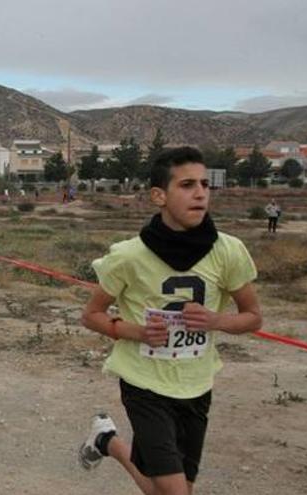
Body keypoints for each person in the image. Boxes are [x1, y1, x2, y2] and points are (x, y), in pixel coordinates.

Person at [77, 147, 262, 495]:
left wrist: (215, 320)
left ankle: (107, 441)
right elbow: (91, 316)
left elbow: (253, 318)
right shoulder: (129, 255)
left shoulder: (229, 251)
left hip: (197, 385)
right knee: (176, 493)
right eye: (187, 184)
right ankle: (108, 440)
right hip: (144, 384)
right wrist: (137, 332)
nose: (200, 193)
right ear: (159, 195)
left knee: (169, 491)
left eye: (205, 184)